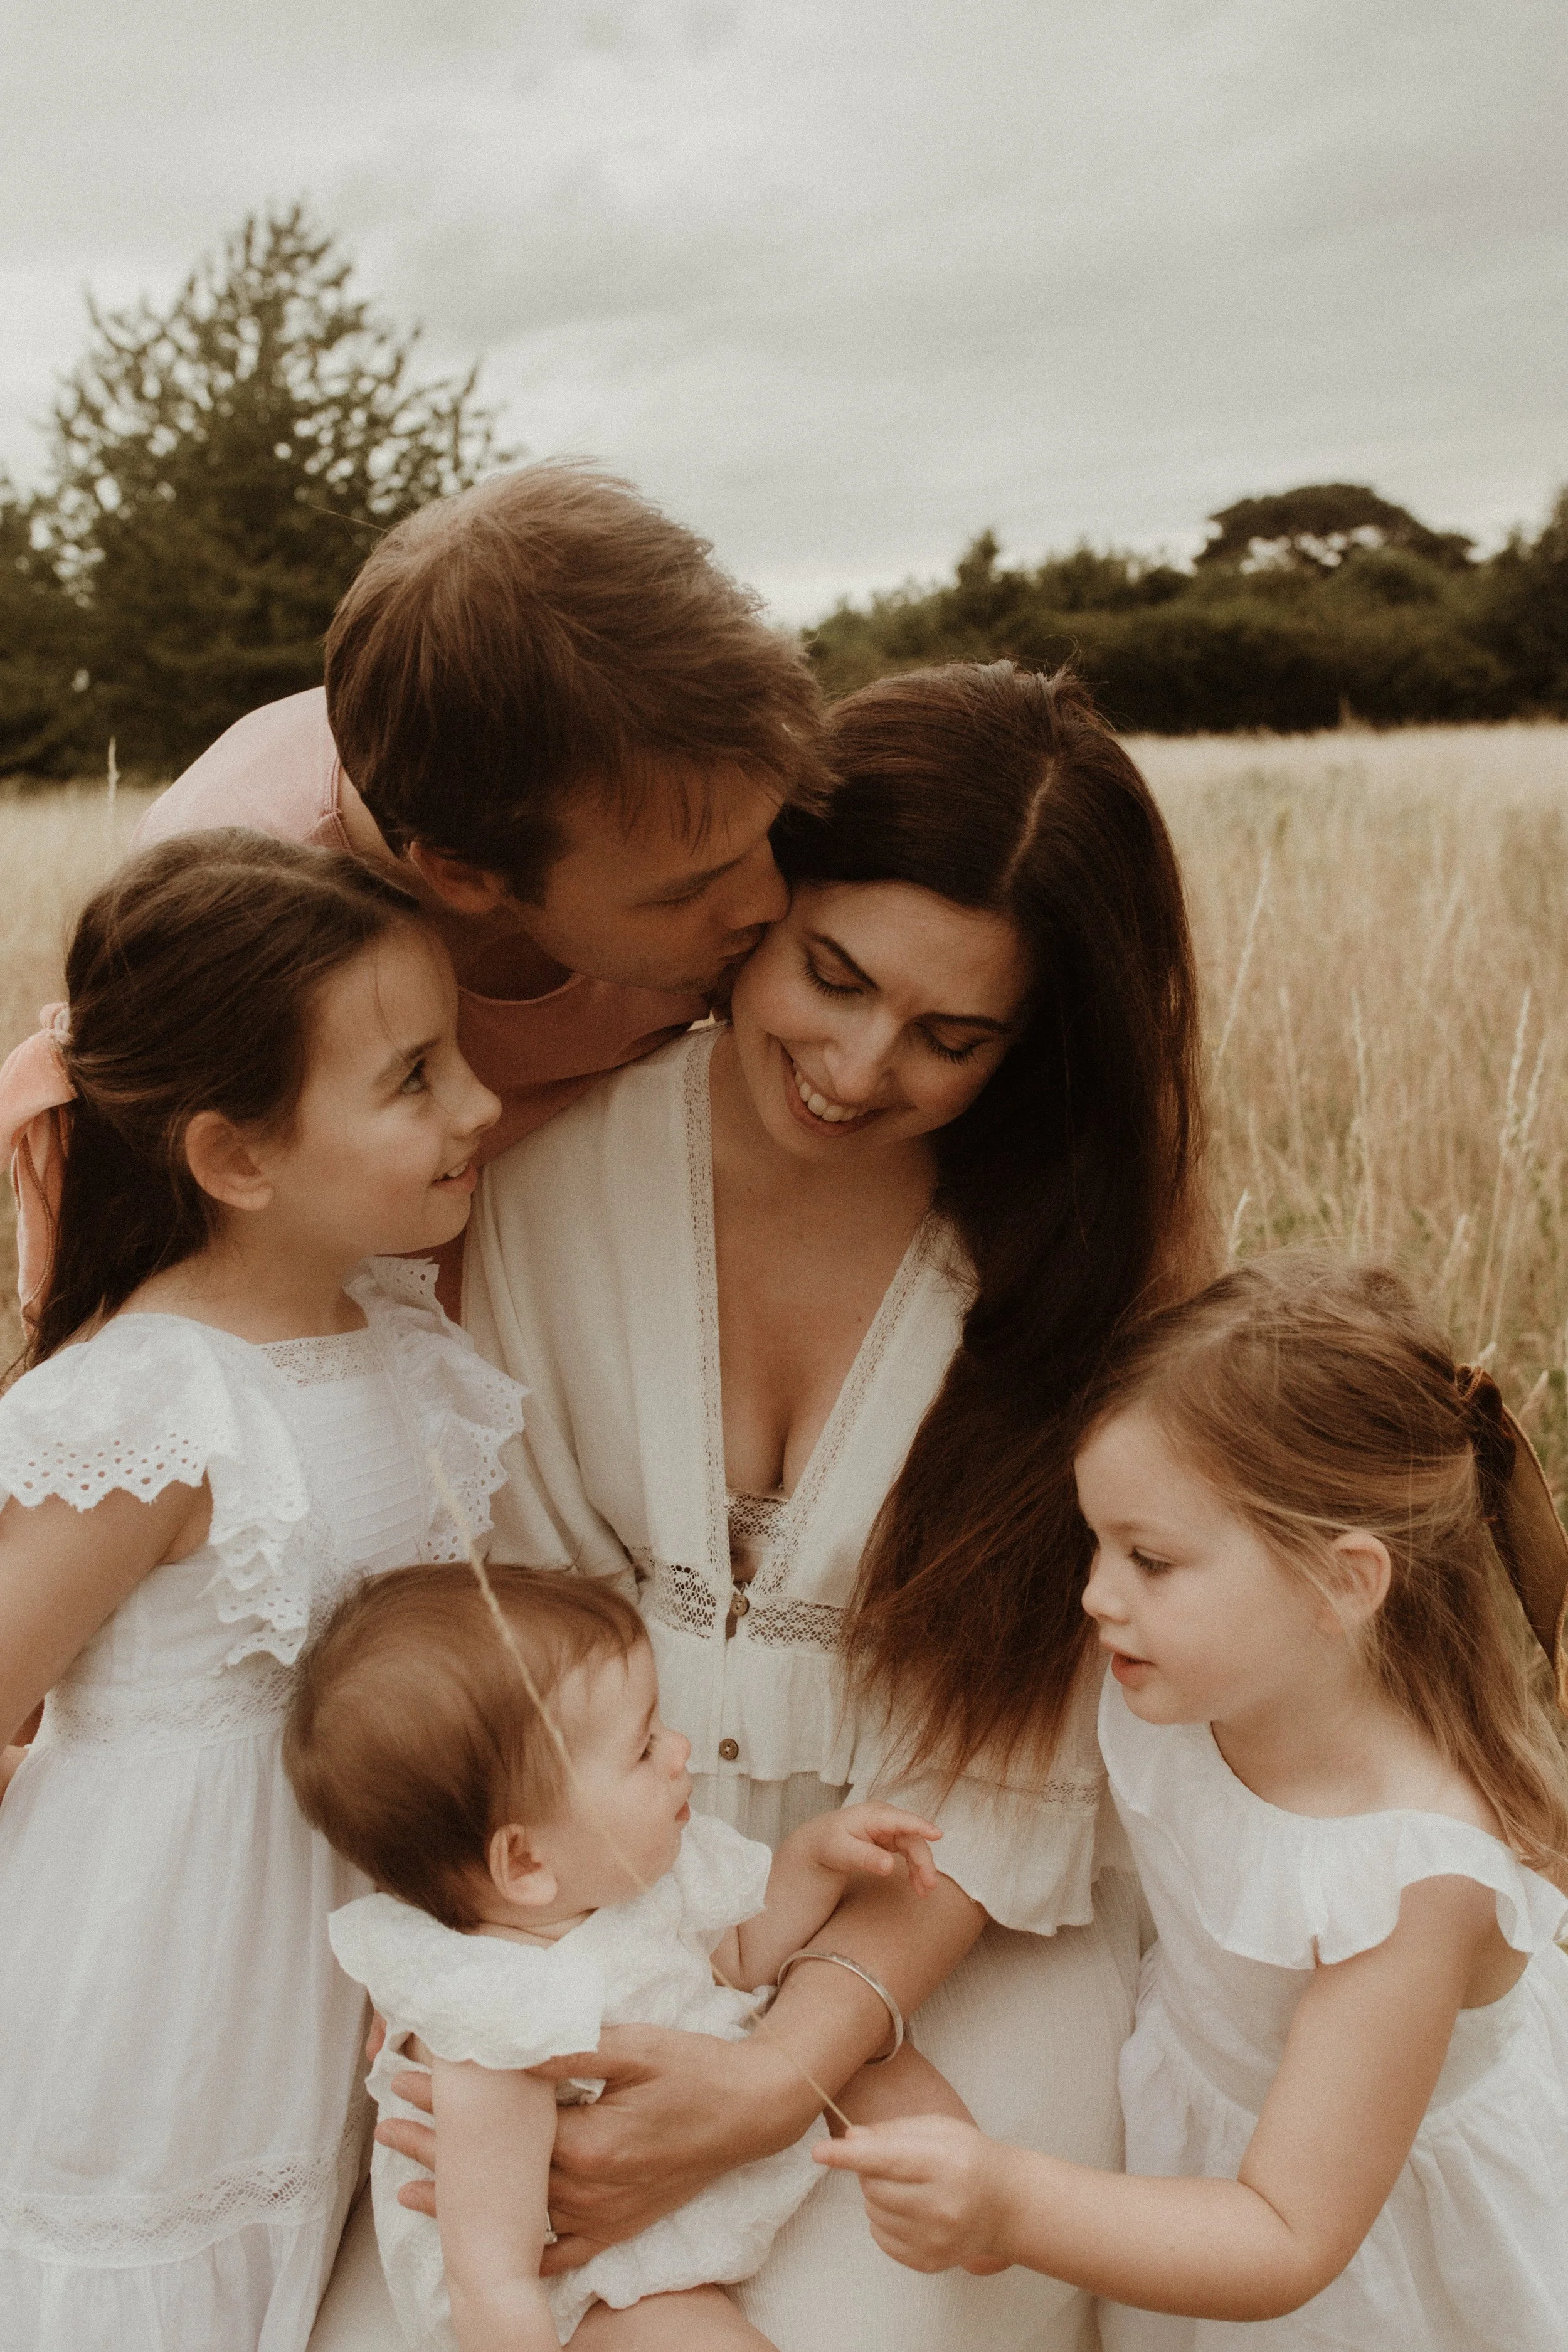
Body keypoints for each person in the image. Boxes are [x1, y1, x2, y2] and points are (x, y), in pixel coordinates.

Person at [352, 661, 1207, 2352]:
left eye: (951, 1037)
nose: (857, 1063)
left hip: (949, 1934)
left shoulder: (1084, 1269)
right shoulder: (541, 1183)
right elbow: (503, 1641)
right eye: (833, 972)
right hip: (583, 1903)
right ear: (756, 902)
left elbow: (1000, 1765)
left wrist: (772, 2073)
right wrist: (554, 1981)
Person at [822, 1254, 1568, 2349]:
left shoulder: (1410, 1885)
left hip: (1352, 2249)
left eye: (1152, 1560)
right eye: (1097, 1541)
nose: (1096, 1593)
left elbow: (1288, 2237)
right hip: (1213, 2142)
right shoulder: (1185, 1683)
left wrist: (1006, 2201)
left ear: (1342, 1582)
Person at [0, 833, 528, 2352]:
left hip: (325, 1986)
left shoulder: (399, 1344)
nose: (480, 1105)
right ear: (236, 1158)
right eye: (415, 1077)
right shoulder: (156, 1403)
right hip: (149, 1999)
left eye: (459, 1055)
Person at [132, 461, 831, 1306]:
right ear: (464, 874)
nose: (772, 903)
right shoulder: (225, 926)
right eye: (684, 891)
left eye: (767, 831)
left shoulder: (703, 792)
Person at [286, 1565, 958, 2351]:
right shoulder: (497, 2024)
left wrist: (816, 1857)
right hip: (580, 2275)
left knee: (882, 2062)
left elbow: (742, 1956)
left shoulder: (629, 1871)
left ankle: (976, 2202)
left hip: (691, 2119)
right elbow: (491, 2274)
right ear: (525, 1864)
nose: (679, 1750)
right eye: (643, 1748)